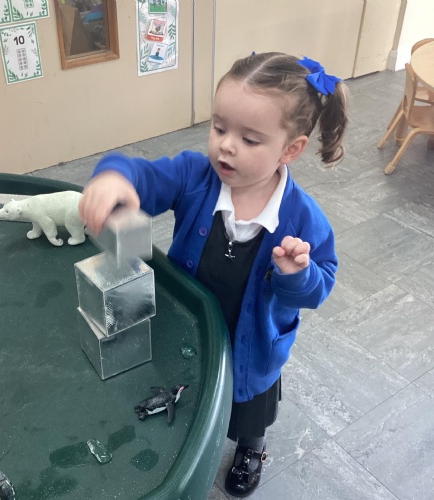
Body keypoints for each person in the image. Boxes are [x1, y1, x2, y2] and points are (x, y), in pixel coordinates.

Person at [79, 52, 348, 497]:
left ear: (290, 149)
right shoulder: (195, 175)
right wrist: (115, 178)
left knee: (249, 410)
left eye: (249, 139)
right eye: (219, 128)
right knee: (196, 388)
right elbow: (144, 175)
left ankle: (252, 449)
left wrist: (296, 275)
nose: (226, 146)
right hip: (192, 329)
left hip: (253, 348)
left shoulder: (303, 218)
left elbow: (321, 286)